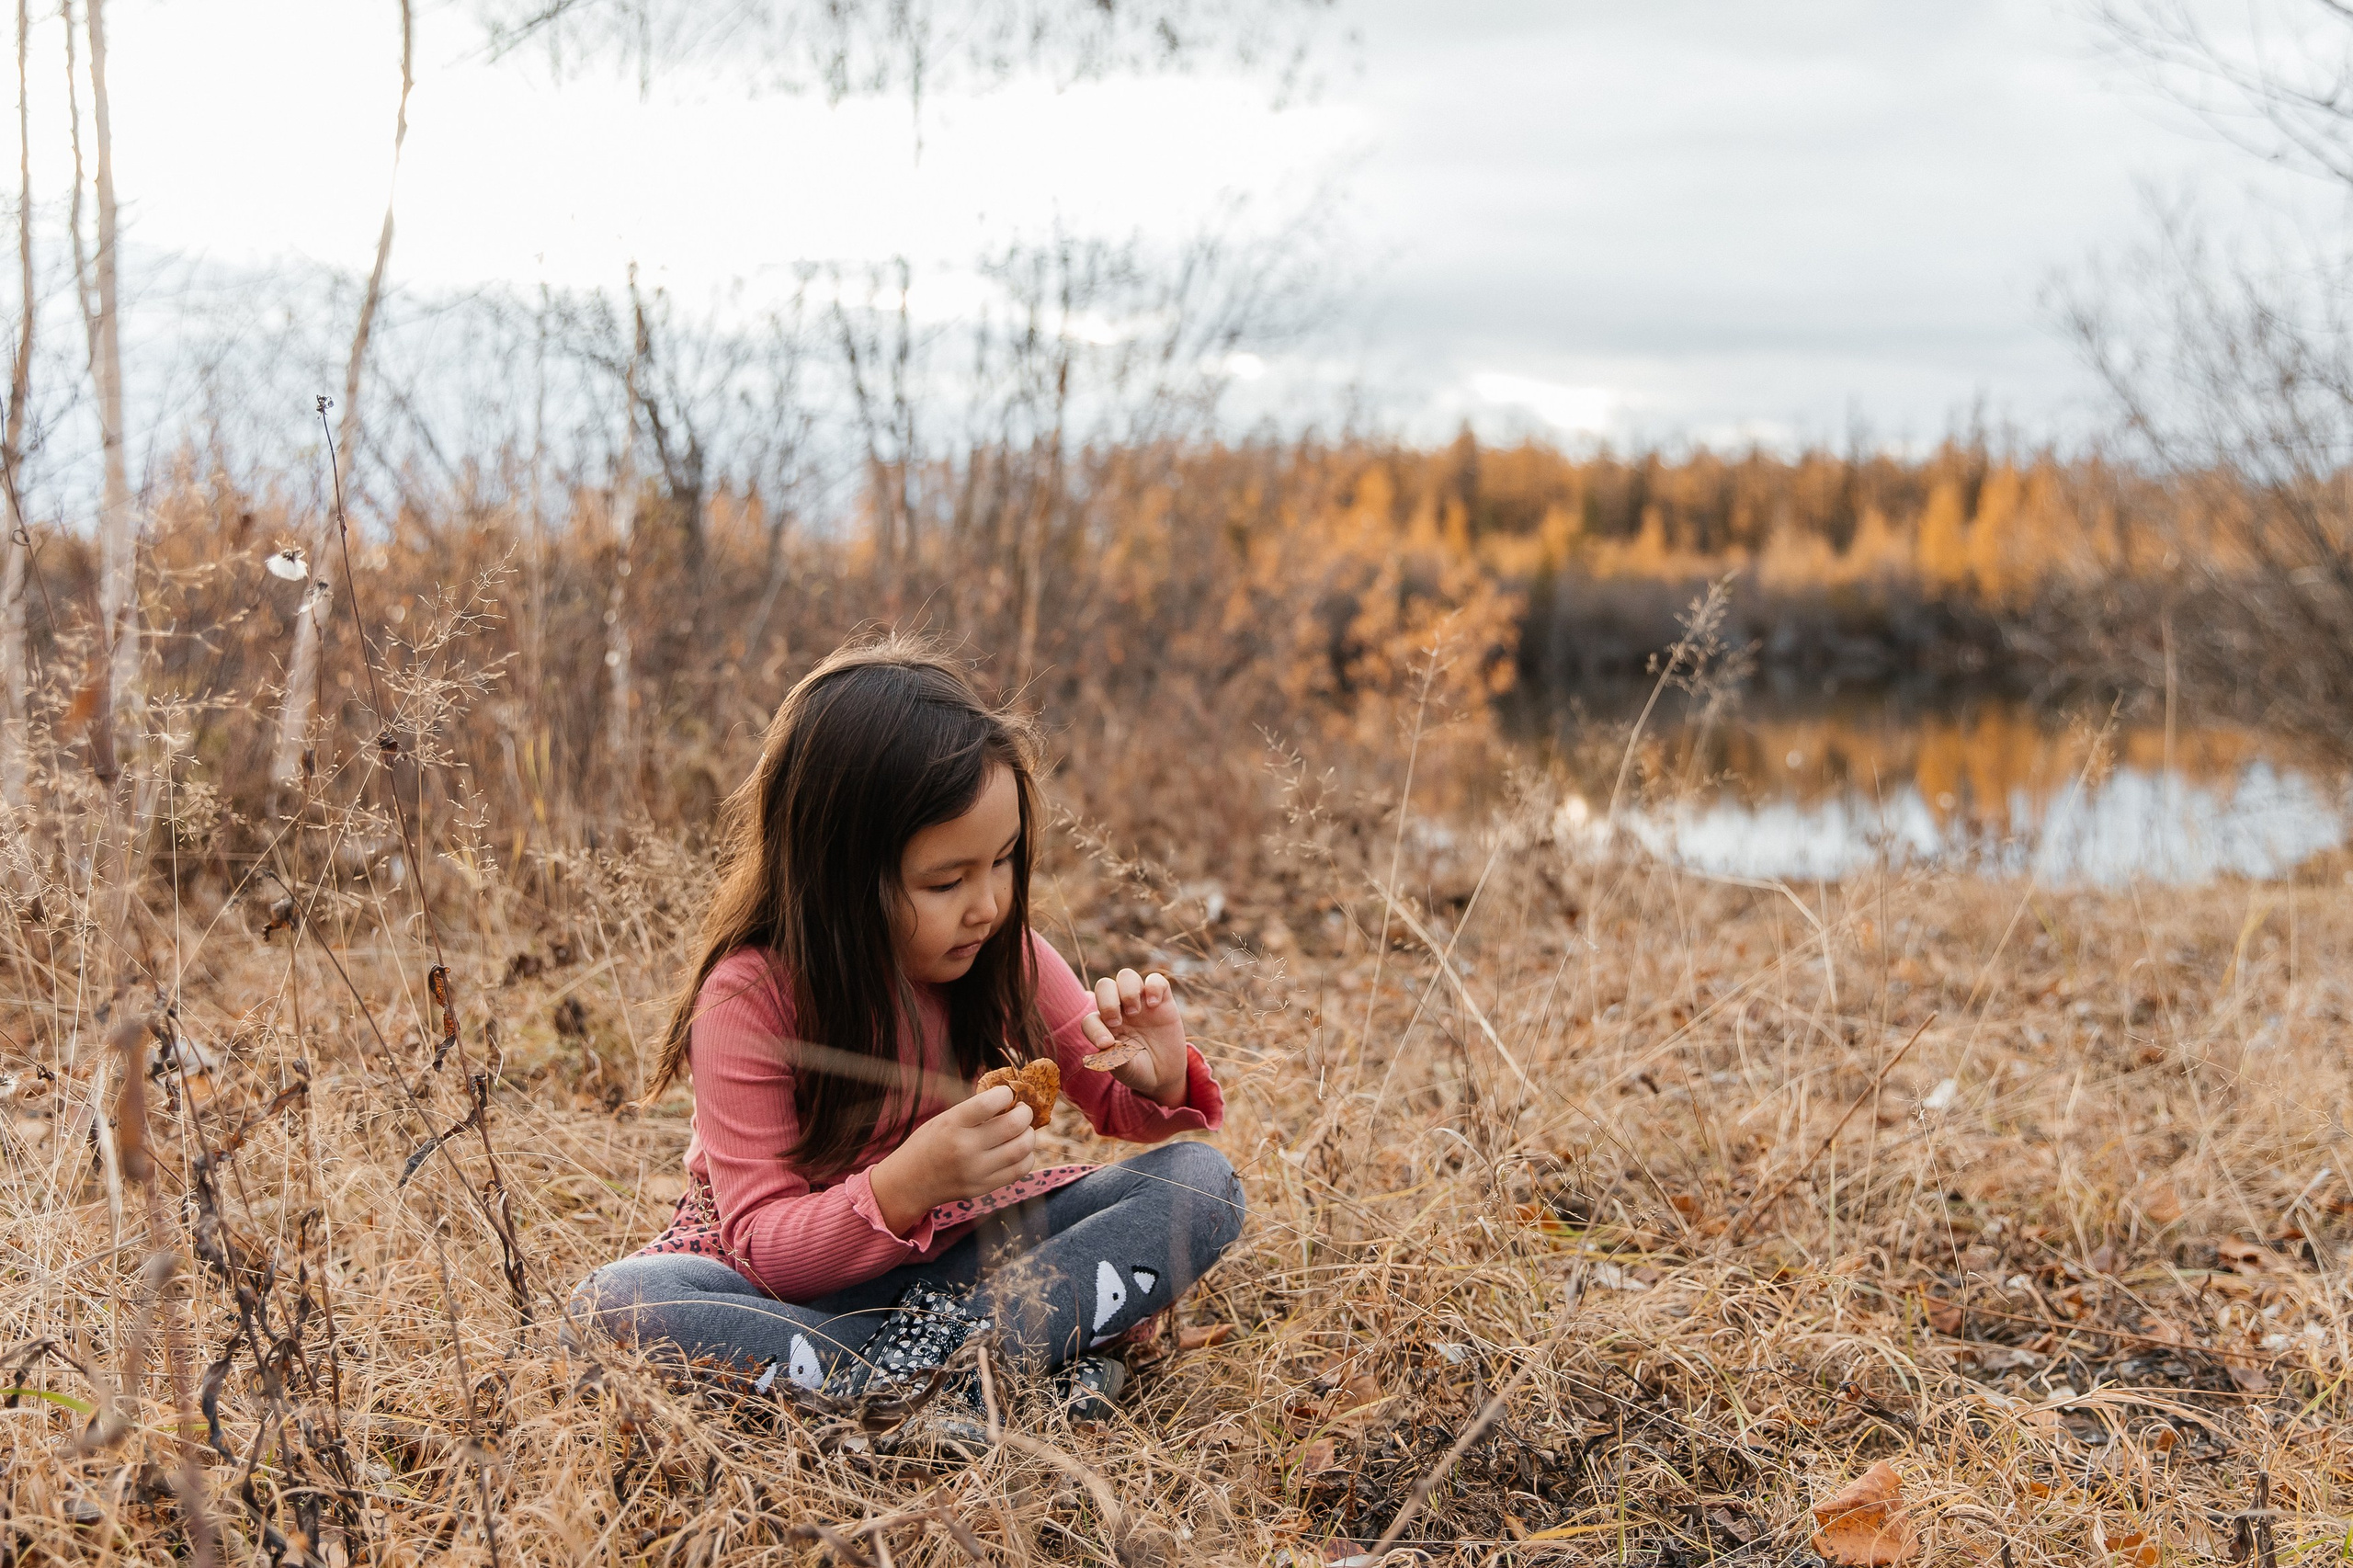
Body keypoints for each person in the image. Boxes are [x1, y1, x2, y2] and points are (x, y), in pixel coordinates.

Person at [569, 636, 1244, 1426]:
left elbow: (1112, 1104)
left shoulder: (1006, 954)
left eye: (1003, 860)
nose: (988, 904)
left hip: (965, 1267)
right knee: (612, 1306)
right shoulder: (746, 1000)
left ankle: (912, 1380)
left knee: (1198, 1185)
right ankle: (991, 1372)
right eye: (945, 880)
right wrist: (908, 1183)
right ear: (838, 879)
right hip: (782, 1291)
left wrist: (1155, 1073)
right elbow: (766, 1248)